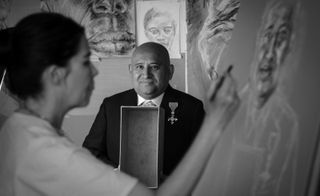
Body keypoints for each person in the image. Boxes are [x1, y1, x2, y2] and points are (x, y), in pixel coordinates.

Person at [0, 12, 239, 196]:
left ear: (169, 72)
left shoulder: (14, 128)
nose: (94, 70)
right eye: (85, 61)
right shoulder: (49, 154)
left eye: (154, 67)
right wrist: (216, 122)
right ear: (56, 75)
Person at [83, 42, 205, 178]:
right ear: (131, 70)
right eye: (139, 67)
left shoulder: (192, 109)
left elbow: (204, 160)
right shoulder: (111, 105)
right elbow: (90, 152)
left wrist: (173, 179)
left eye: (154, 67)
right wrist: (115, 174)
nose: (146, 74)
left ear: (170, 71)